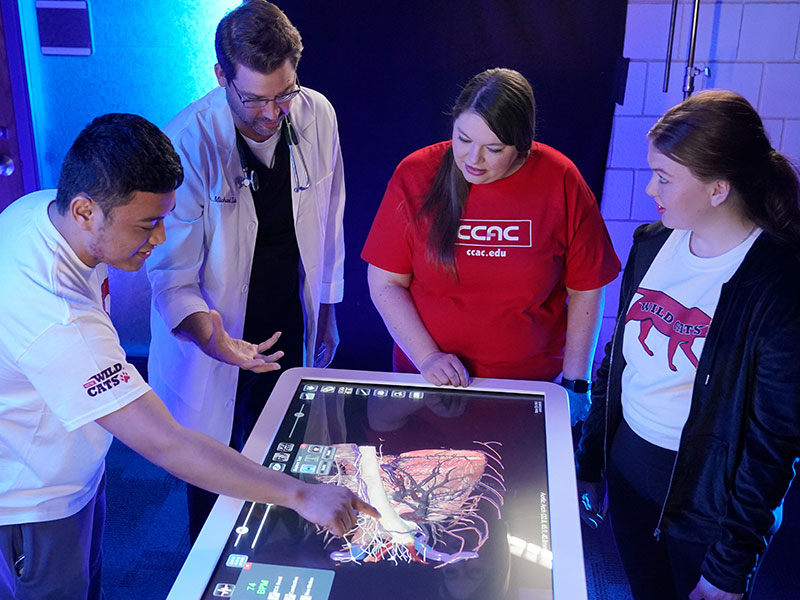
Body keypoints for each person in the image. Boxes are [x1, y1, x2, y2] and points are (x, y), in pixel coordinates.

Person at [0, 113, 376, 600]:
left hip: (69, 466)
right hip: (32, 501)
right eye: (147, 224)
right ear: (85, 210)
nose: (158, 239)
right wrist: (299, 493)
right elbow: (166, 444)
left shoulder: (36, 211)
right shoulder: (59, 318)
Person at [575, 90, 800, 600]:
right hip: (630, 478)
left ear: (718, 189)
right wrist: (590, 462)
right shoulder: (653, 242)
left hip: (705, 506)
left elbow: (773, 448)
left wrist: (730, 567)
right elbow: (619, 361)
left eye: (666, 177)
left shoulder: (778, 285)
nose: (652, 188)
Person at [146, 0, 345, 539]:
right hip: (215, 331)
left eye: (284, 93)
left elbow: (329, 222)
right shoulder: (186, 143)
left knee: (286, 455)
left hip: (288, 312)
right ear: (220, 76)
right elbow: (171, 279)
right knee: (214, 476)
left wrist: (325, 312)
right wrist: (217, 343)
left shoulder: (316, 114)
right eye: (255, 98)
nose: (272, 111)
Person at [361, 68, 620, 424]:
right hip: (429, 384)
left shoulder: (560, 178)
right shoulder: (416, 173)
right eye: (463, 139)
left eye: (494, 149)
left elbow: (586, 290)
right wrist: (428, 358)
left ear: (523, 144)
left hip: (528, 390)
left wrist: (577, 385)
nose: (472, 159)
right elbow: (385, 282)